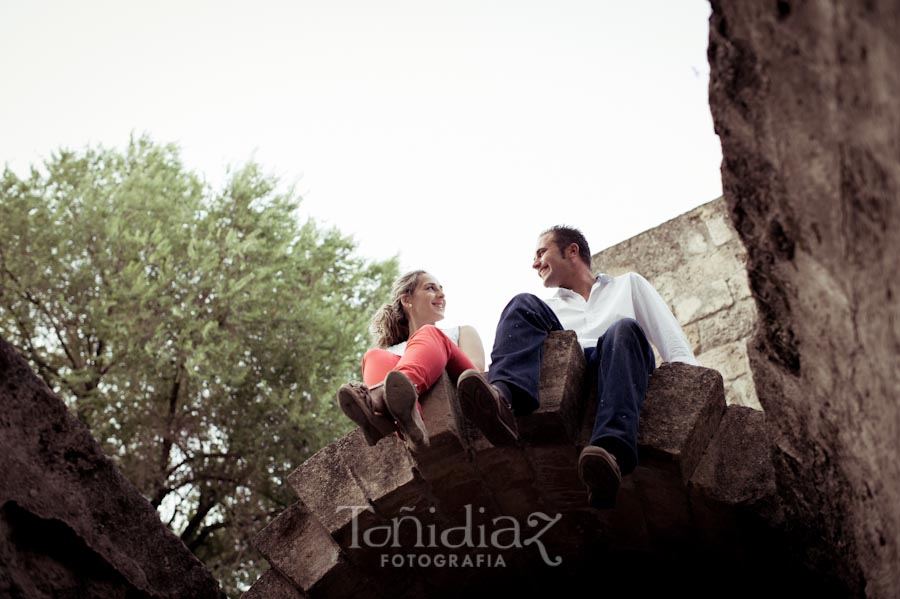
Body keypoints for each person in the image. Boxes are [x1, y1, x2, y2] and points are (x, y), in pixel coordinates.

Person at [456, 225, 699, 509]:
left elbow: (672, 341)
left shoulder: (628, 284)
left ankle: (610, 453)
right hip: (579, 367)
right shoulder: (549, 309)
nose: (535, 263)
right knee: (521, 303)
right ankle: (502, 401)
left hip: (622, 360)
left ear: (572, 250)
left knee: (623, 328)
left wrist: (689, 388)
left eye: (541, 252)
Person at [338, 270, 485, 451]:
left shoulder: (460, 331)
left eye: (441, 289)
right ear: (407, 300)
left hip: (464, 387)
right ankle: (403, 423)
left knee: (429, 332)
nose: (441, 294)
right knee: (373, 355)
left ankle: (377, 399)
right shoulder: (389, 352)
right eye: (430, 288)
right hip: (409, 405)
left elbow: (475, 374)